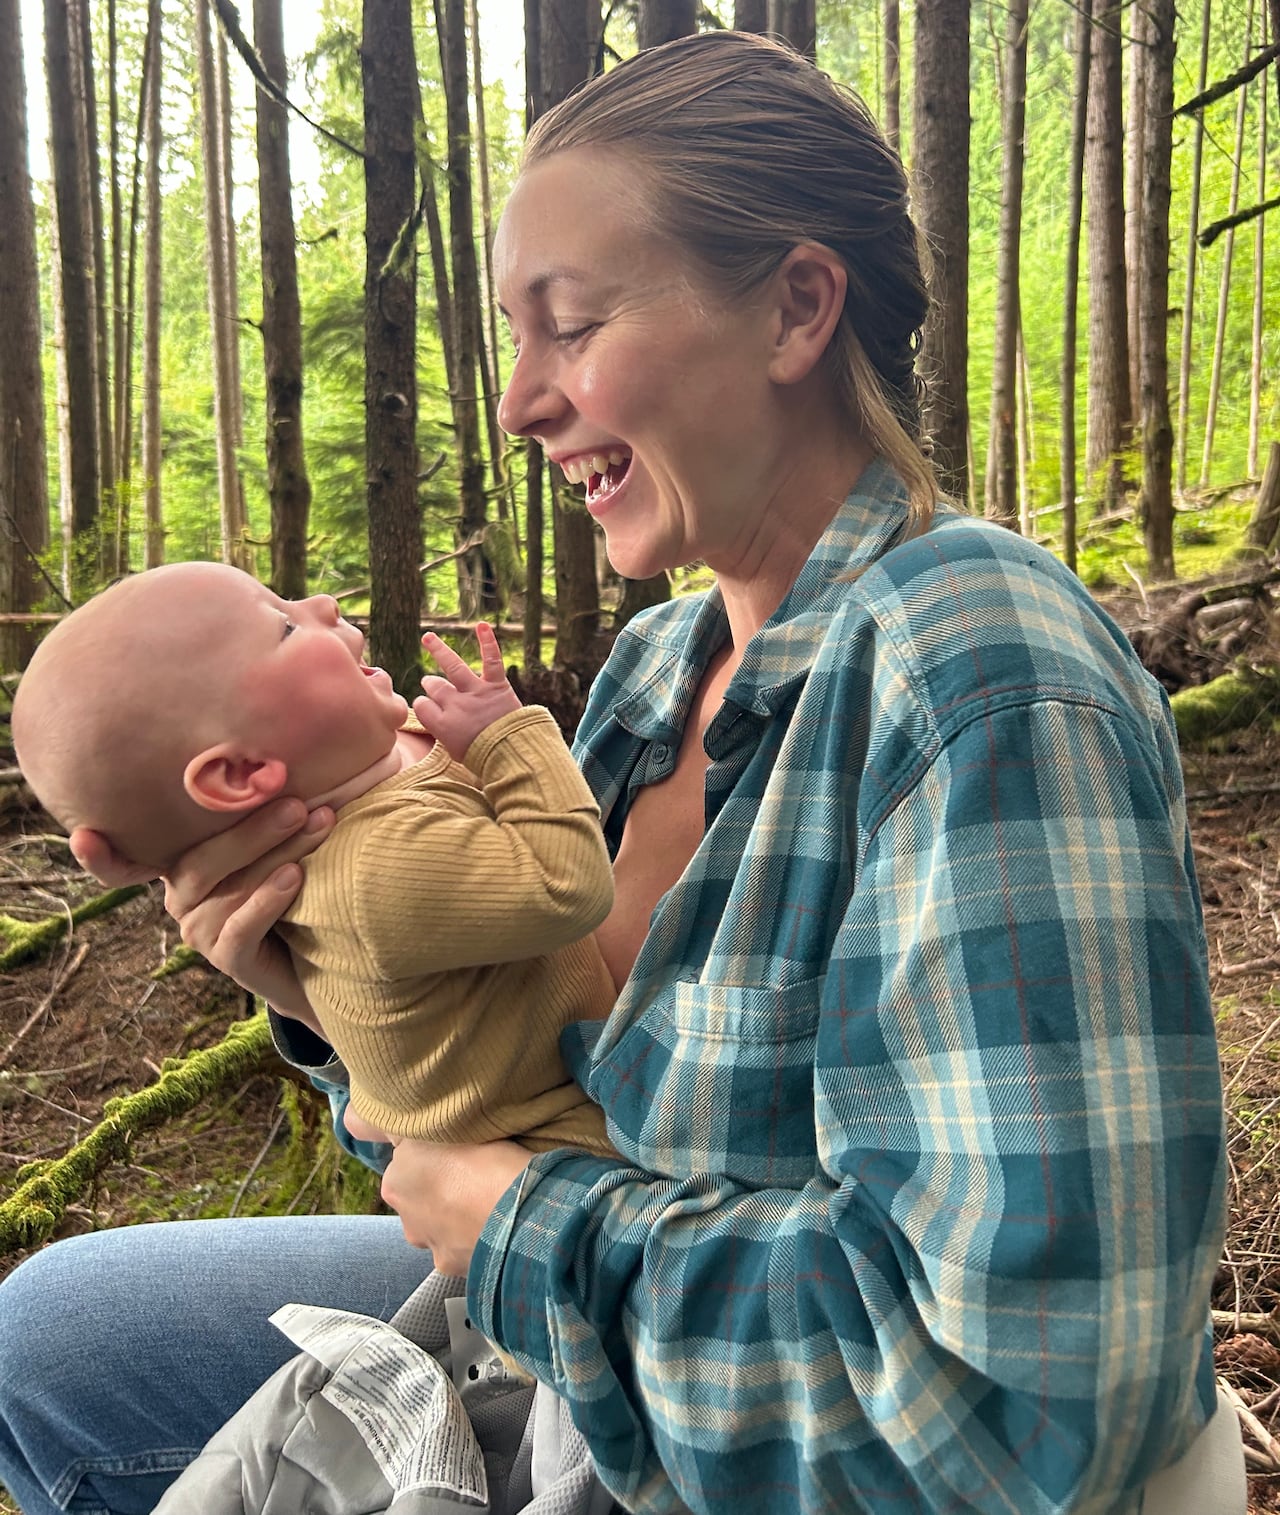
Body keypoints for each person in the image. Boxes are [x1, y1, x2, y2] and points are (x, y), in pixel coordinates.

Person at [0, 29, 1240, 1515]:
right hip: (600, 1335)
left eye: (570, 325)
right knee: (50, 1332)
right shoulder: (657, 670)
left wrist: (525, 1225)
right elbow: (514, 1088)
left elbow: (1024, 1400)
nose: (520, 401)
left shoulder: (982, 674)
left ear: (794, 307)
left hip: (819, 1441)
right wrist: (328, 1001)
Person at [11, 563, 616, 1155]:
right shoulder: (373, 869)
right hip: (560, 1142)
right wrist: (510, 735)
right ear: (243, 772)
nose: (323, 604)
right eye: (285, 627)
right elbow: (564, 885)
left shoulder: (365, 777)